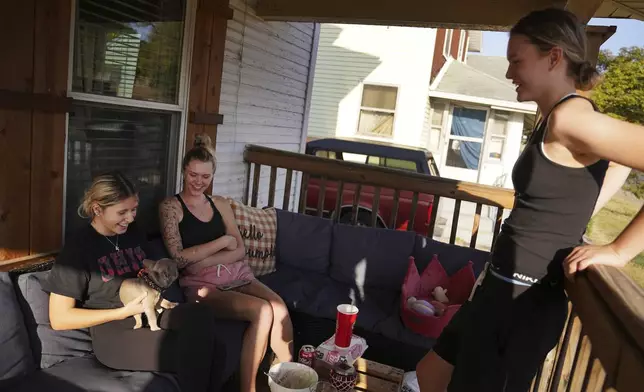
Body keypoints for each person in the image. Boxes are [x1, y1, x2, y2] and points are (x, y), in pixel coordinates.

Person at [416, 8, 644, 392]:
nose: (509, 73)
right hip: (498, 288)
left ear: (554, 57)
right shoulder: (555, 116)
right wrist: (582, 210)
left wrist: (621, 251)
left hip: (523, 304)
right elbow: (618, 165)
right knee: (427, 376)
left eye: (516, 61)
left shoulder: (570, 119)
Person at [46, 172, 230, 392]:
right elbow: (59, 318)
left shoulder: (132, 233)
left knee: (204, 319)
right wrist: (122, 312)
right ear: (97, 209)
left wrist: (163, 294)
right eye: (122, 212)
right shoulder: (78, 249)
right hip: (114, 332)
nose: (131, 218)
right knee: (195, 351)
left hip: (151, 310)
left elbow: (151, 274)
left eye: (134, 209)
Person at [159, 134, 294, 392]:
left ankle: (289, 382)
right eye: (193, 175)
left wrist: (203, 257)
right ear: (184, 171)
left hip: (237, 274)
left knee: (279, 306)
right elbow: (178, 257)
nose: (198, 182)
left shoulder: (220, 203)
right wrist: (222, 242)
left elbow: (240, 248)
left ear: (213, 176)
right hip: (202, 285)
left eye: (205, 177)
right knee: (263, 311)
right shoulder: (170, 207)